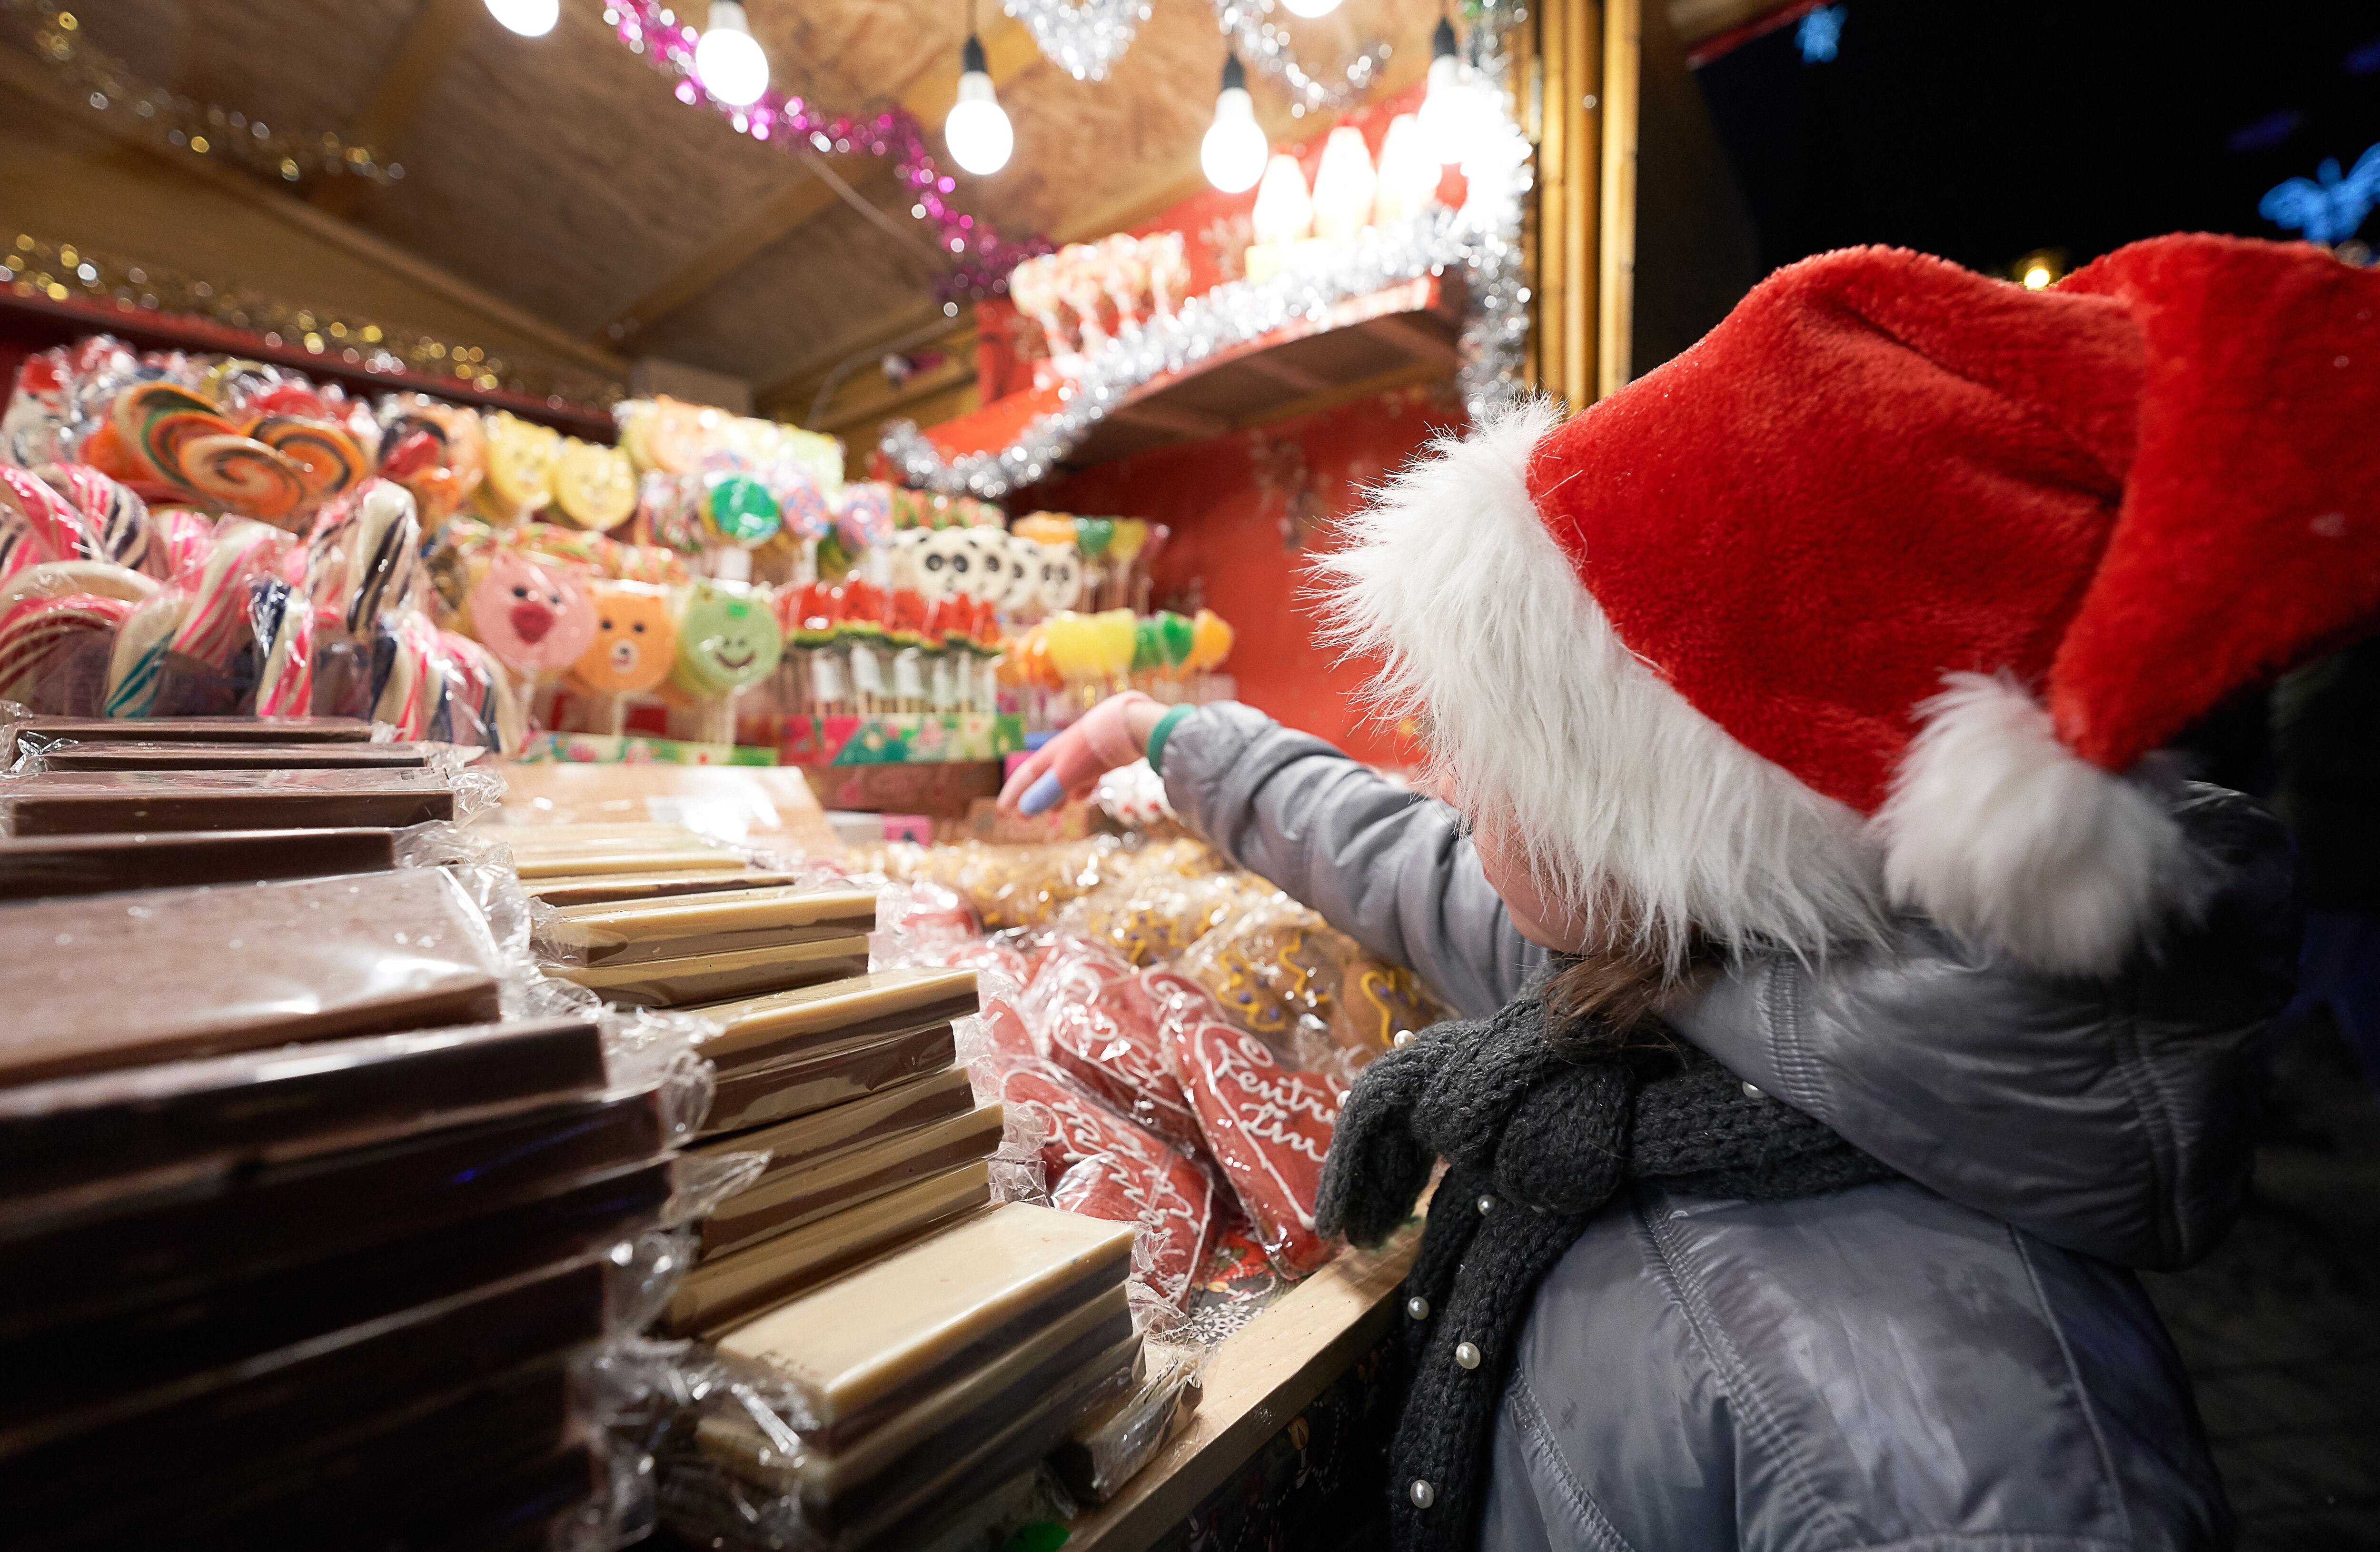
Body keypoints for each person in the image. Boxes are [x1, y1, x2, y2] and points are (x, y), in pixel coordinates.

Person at [1003, 233, 2380, 1552]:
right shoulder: (1684, 992)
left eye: (1507, 737)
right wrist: (1168, 737)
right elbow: (1406, 860)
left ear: (1673, 814)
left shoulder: (1963, 1443)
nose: (1446, 772)